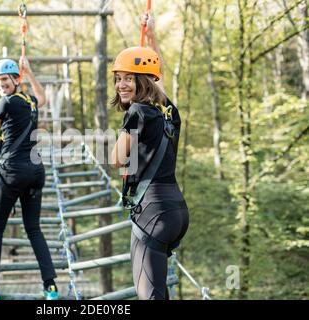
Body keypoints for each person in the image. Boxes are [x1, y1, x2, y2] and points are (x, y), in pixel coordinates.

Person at [110, 14, 189, 300]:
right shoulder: (168, 113)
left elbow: (117, 158)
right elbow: (160, 81)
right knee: (158, 290)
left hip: (152, 213)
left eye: (129, 79)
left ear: (143, 81)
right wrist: (152, 38)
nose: (121, 85)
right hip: (175, 210)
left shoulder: (137, 113)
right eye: (118, 79)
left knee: (149, 295)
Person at [0, 57, 58, 300]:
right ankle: (51, 286)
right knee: (34, 229)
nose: (0, 85)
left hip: (11, 174)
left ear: (16, 79)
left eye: (4, 80)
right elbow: (43, 97)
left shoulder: (5, 103)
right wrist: (30, 72)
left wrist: (5, 99)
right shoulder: (30, 102)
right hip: (35, 173)